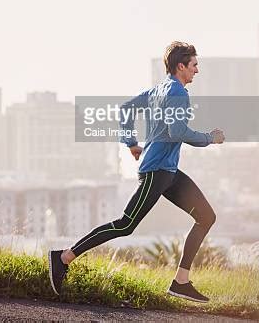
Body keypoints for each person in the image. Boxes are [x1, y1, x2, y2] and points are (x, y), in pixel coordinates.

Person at [48, 41, 225, 302]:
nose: (197, 71)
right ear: (181, 66)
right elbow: (178, 132)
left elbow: (126, 109)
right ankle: (63, 257)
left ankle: (181, 281)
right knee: (126, 224)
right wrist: (210, 138)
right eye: (194, 65)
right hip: (156, 172)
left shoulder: (158, 90)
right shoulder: (177, 92)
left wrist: (131, 144)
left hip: (169, 171)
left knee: (206, 216)